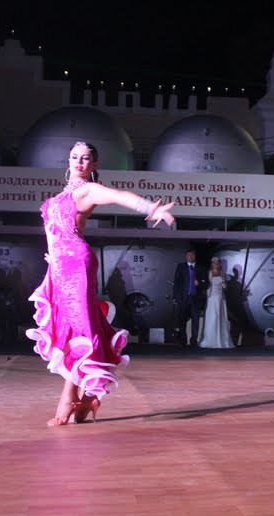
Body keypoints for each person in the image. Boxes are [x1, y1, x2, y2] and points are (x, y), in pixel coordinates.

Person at [26, 141, 175, 427]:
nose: (78, 162)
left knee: (82, 329)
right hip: (58, 267)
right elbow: (54, 232)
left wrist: (150, 209)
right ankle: (85, 398)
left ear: (93, 165)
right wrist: (52, 255)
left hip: (76, 265)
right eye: (74, 157)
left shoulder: (88, 191)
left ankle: (70, 400)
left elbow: (119, 196)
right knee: (69, 330)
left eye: (86, 159)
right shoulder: (60, 196)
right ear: (68, 160)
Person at [173, 247, 208, 348]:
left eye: (192, 255)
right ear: (186, 256)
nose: (190, 257)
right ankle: (183, 339)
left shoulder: (201, 268)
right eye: (188, 255)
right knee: (182, 319)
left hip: (196, 298)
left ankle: (194, 340)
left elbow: (206, 283)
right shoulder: (181, 267)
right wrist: (175, 297)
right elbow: (176, 282)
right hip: (183, 298)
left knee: (195, 320)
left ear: (195, 256)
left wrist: (199, 284)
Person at [198, 257, 235, 349]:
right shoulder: (209, 273)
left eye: (217, 263)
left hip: (221, 299)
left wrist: (223, 282)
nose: (216, 264)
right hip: (211, 299)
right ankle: (210, 339)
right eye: (214, 263)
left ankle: (221, 340)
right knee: (212, 318)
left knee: (221, 318)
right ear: (212, 264)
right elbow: (205, 285)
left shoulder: (222, 273)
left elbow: (225, 287)